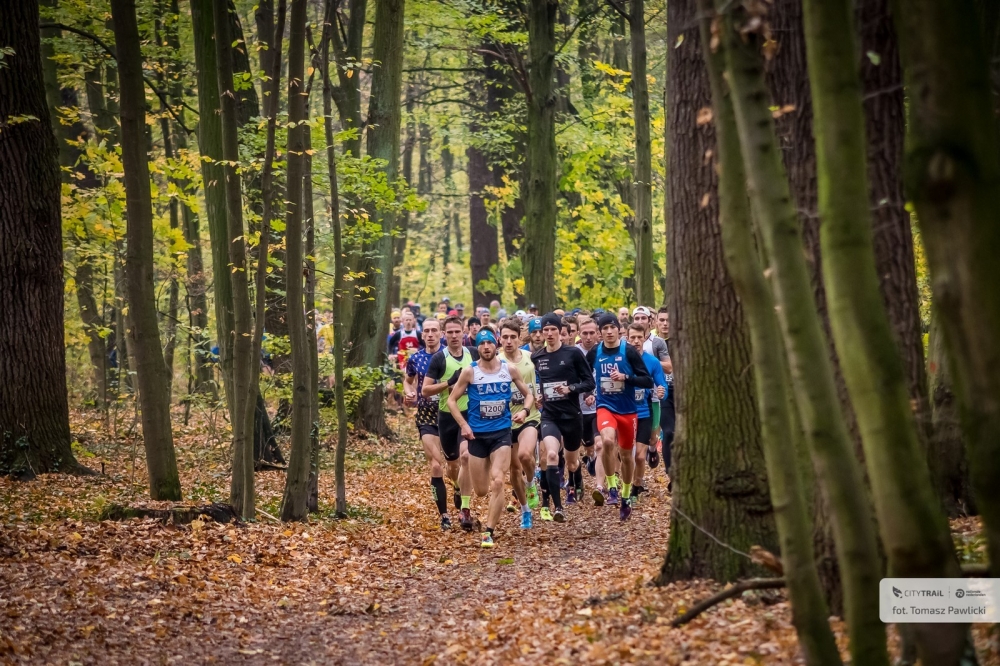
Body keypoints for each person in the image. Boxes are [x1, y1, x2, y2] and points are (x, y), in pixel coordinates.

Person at [447, 329, 535, 548]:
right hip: (477, 435)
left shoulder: (509, 369)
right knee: (482, 490)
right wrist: (464, 425)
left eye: (489, 343)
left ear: (496, 345)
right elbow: (451, 401)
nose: (486, 347)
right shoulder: (470, 372)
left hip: (501, 433)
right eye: (482, 343)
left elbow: (529, 394)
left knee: (498, 481)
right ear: (478, 347)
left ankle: (488, 531)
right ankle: (473, 504)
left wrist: (524, 411)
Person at [585, 313, 653, 521]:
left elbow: (647, 381)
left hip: (628, 410)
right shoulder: (595, 352)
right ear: (600, 332)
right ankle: (611, 486)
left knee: (625, 455)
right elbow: (586, 377)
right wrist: (588, 393)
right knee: (606, 440)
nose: (608, 331)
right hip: (605, 406)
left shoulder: (629, 351)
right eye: (604, 328)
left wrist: (626, 378)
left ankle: (625, 494)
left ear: (618, 329)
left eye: (611, 327)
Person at [532, 313, 596, 521]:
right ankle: (557, 507)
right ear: (541, 333)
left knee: (572, 463)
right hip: (550, 416)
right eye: (545, 330)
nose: (549, 333)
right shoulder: (537, 357)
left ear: (560, 331)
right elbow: (541, 384)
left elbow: (589, 383)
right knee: (551, 455)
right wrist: (540, 397)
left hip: (572, 416)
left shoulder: (573, 354)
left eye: (553, 329)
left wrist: (570, 388)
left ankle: (576, 477)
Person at [422, 316, 479, 530]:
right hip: (446, 416)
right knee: (453, 465)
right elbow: (425, 390)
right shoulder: (439, 358)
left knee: (465, 457)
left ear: (463, 332)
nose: (454, 336)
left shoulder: (473, 354)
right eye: (450, 332)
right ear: (444, 334)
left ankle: (465, 510)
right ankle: (457, 486)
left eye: (457, 332)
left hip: (469, 414)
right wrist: (449, 382)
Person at [403, 318, 452, 530]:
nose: (430, 334)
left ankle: (459, 491)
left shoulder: (450, 356)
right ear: (422, 335)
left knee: (455, 465)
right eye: (427, 331)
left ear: (441, 333)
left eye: (434, 331)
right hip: (427, 414)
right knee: (435, 464)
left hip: (451, 412)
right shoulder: (416, 358)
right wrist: (409, 392)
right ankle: (444, 515)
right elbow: (408, 380)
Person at [499, 319, 542, 528]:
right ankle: (525, 510)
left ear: (519, 339)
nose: (509, 341)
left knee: (525, 455)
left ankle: (532, 482)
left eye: (512, 337)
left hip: (529, 416)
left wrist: (539, 396)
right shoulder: (494, 360)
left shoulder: (530, 358)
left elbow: (539, 382)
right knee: (514, 468)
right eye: (505, 337)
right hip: (505, 421)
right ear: (499, 339)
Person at [626, 323, 667, 503]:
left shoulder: (652, 362)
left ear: (644, 338)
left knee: (640, 454)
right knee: (627, 453)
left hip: (645, 410)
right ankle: (627, 486)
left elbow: (662, 384)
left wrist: (661, 391)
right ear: (627, 339)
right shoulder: (622, 359)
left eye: (639, 337)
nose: (635, 341)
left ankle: (637, 486)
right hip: (625, 410)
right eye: (632, 337)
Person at [576, 318, 604, 498]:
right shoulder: (573, 353)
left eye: (591, 333)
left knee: (601, 444)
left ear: (598, 334)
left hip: (601, 408)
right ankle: (589, 461)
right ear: (579, 334)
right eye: (584, 333)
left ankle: (601, 486)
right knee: (588, 446)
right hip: (578, 409)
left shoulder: (605, 351)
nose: (588, 337)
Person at [655, 307, 675, 485]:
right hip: (664, 392)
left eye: (668, 320)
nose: (665, 323)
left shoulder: (683, 341)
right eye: (661, 320)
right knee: (669, 432)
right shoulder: (654, 344)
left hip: (684, 392)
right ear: (656, 322)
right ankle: (671, 475)